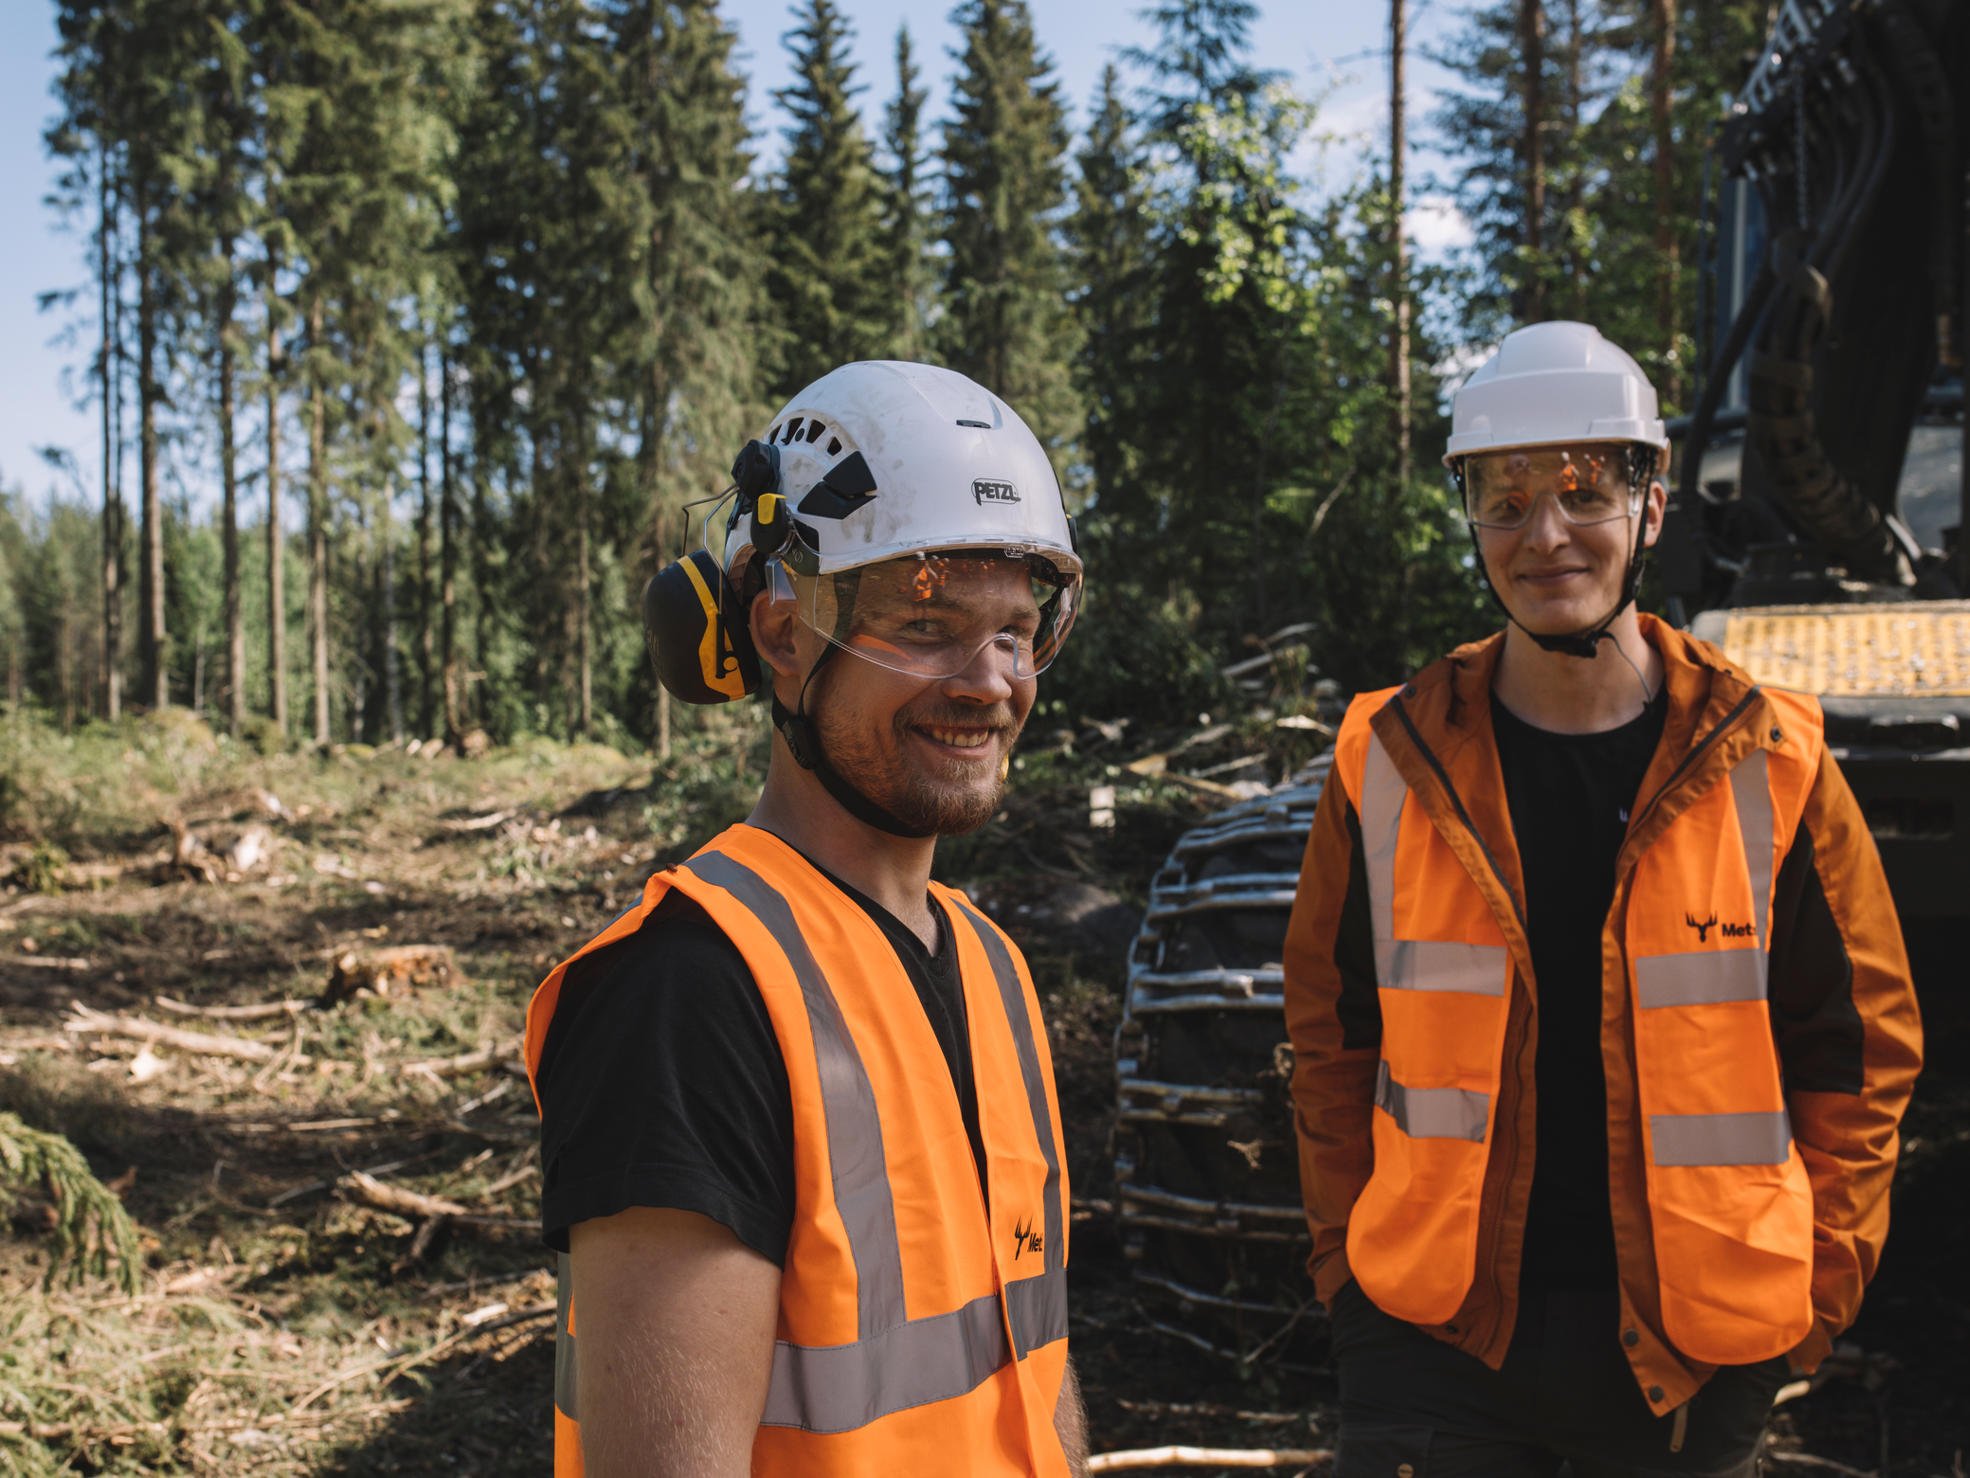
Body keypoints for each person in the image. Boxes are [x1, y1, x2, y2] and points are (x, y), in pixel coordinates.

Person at [1283, 321, 1923, 1476]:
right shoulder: (1384, 758)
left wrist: (1814, 1293)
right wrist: (1348, 1278)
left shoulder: (1771, 758)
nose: (1543, 533)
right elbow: (1329, 1042)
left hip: (1693, 1353)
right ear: (1468, 512)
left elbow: (1859, 1052)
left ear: (1650, 503)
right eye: (1502, 494)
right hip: (1434, 1343)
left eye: (1580, 488)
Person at [523, 361, 1088, 1477]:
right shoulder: (685, 996)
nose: (989, 680)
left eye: (1017, 627)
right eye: (925, 623)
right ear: (780, 633)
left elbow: (1034, 1369)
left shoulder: (991, 967)